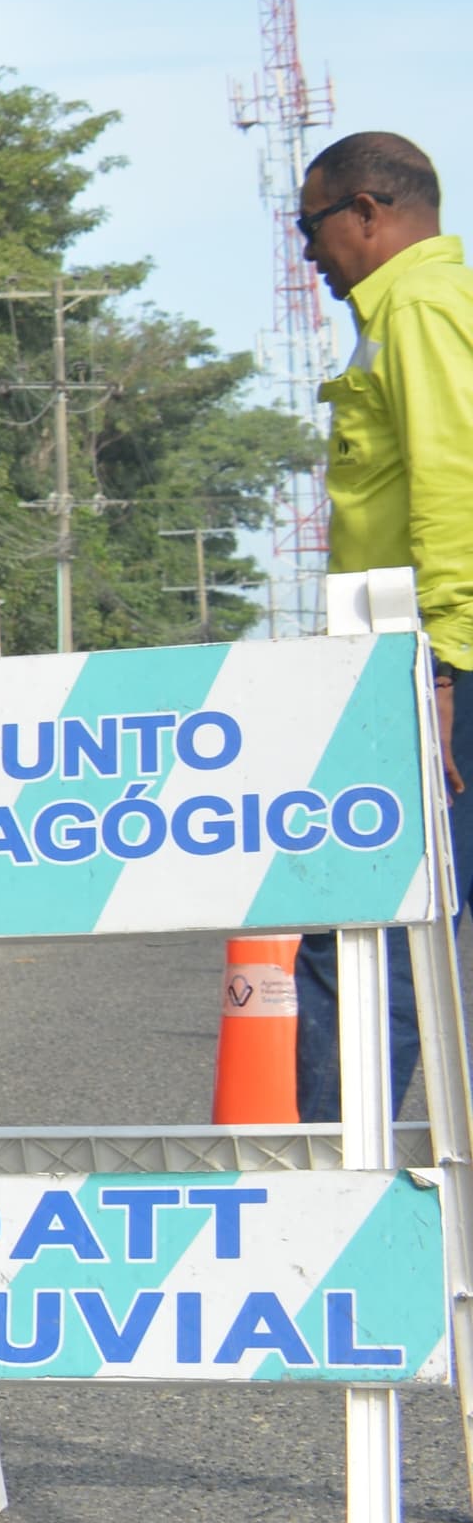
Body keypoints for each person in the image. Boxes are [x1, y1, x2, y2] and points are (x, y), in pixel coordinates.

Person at [299, 129, 470, 1124]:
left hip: (432, 669)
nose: (305, 251)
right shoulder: (399, 315)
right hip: (420, 664)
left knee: (364, 923)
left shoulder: (419, 309)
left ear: (365, 210)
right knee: (385, 927)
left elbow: (452, 486)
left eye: (308, 223)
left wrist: (436, 672)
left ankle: (328, 1195)